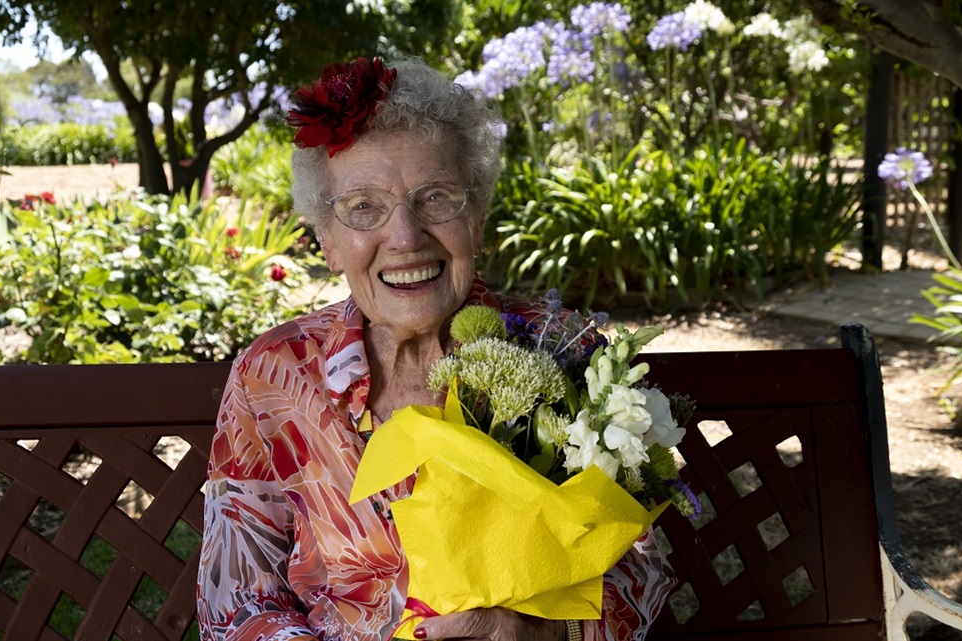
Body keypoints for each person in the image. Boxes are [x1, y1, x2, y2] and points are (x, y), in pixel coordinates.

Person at [196, 56, 675, 641]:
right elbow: (237, 604)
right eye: (364, 207)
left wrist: (546, 636)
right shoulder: (273, 377)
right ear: (328, 242)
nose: (404, 237)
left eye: (436, 197)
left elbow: (645, 566)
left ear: (477, 218)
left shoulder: (565, 352)